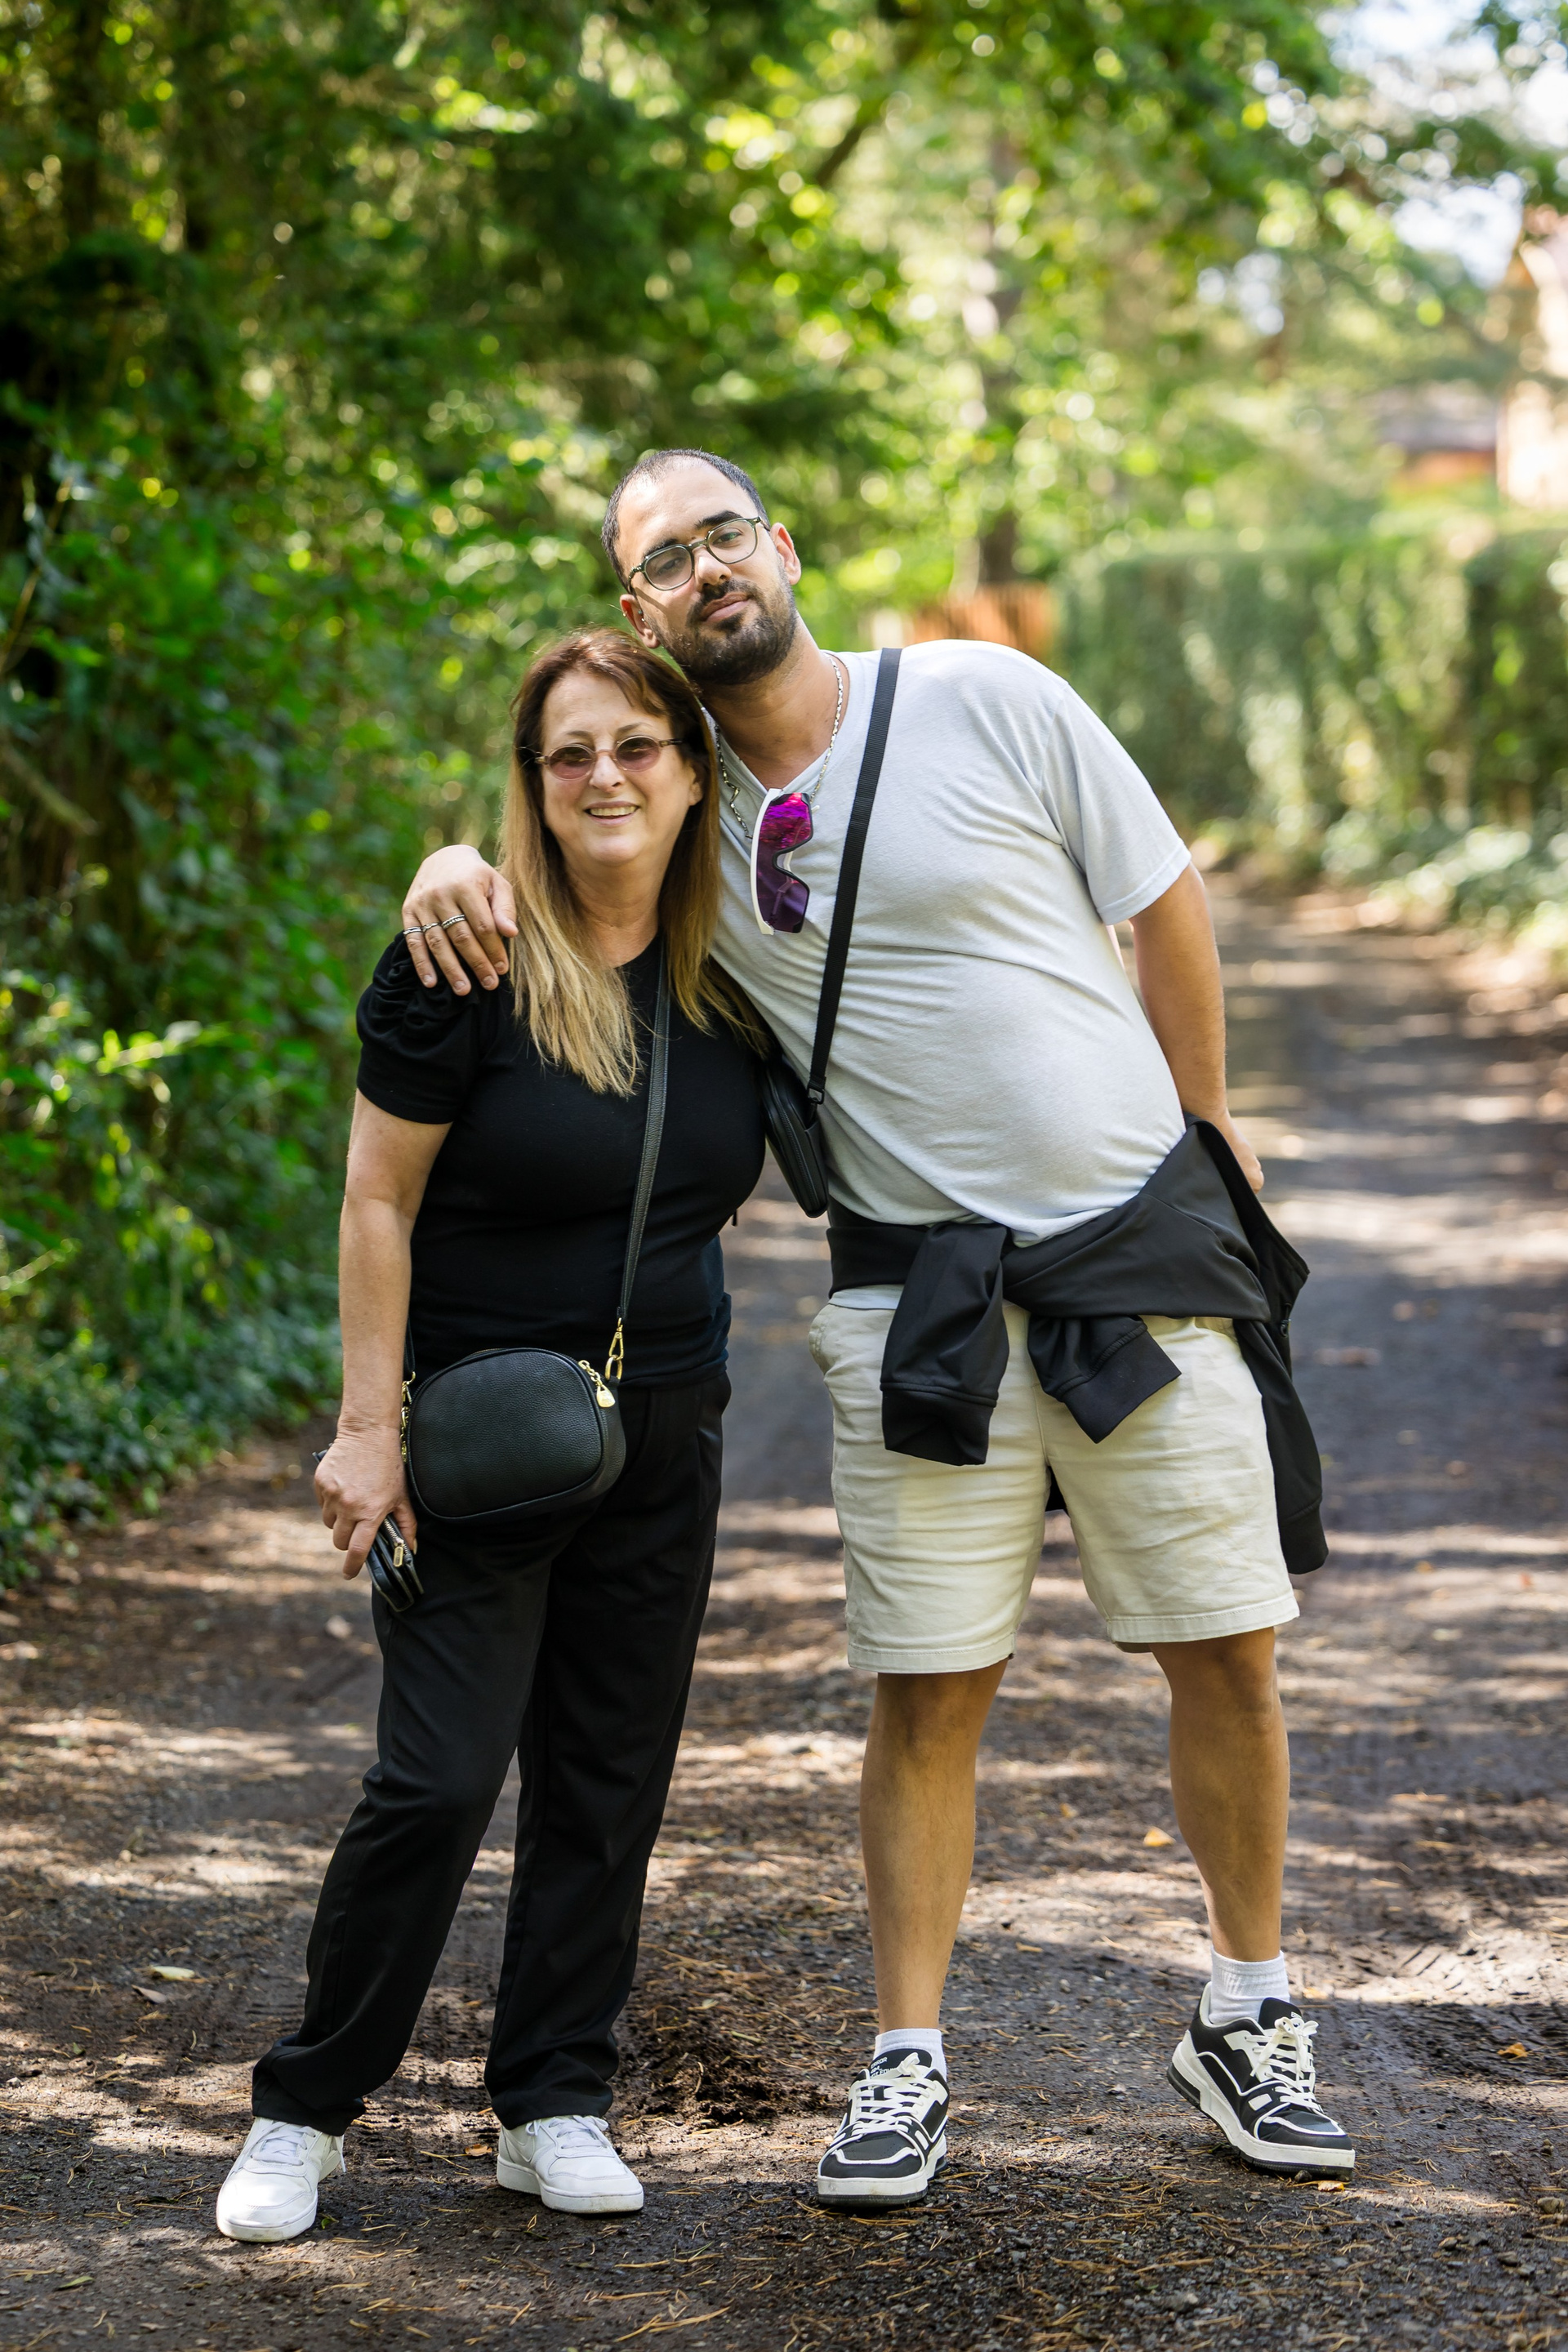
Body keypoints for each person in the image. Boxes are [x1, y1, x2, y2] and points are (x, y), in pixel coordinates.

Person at [394, 448, 1356, 2204]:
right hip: (919, 1305)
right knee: (928, 1690)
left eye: (724, 535)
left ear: (783, 545)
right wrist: (449, 859)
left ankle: (1249, 2009)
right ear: (639, 611)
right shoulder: (683, 818)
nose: (705, 571)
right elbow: (561, 869)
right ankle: (906, 2062)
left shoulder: (988, 697)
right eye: (663, 560)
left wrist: (1208, 1140)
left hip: (1136, 1264)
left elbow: (1163, 899)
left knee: (1228, 1646)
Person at [214, 630, 765, 2243]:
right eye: (569, 751)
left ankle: (551, 2100)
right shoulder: (464, 955)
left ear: (692, 772)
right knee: (436, 1781)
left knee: (607, 1779)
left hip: (666, 1429)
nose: (606, 776)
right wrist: (365, 1431)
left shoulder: (743, 970)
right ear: (532, 784)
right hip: (481, 1436)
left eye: (637, 746)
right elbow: (376, 1200)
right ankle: (304, 2108)